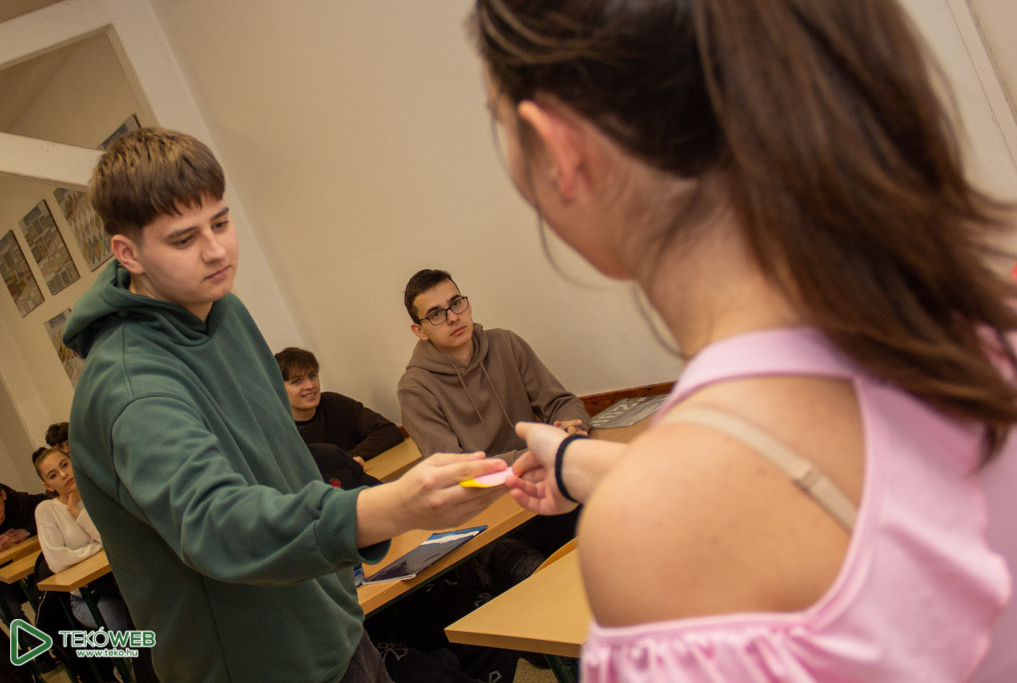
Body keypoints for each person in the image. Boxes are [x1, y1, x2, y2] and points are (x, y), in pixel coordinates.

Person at [472, 0, 1017, 680]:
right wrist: (576, 463)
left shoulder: (652, 540)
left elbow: (738, 488)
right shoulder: (982, 321)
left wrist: (632, 491)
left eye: (499, 125)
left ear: (560, 151)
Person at [63, 128, 507, 683]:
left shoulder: (223, 309)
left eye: (220, 222)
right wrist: (390, 508)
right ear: (128, 253)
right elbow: (218, 523)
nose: (216, 250)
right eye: (183, 239)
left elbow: (284, 466)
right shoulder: (130, 386)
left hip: (333, 625)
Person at [398, 268, 590, 466]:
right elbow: (453, 467)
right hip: (485, 483)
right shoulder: (414, 389)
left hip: (543, 467)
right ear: (420, 331)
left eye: (456, 304)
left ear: (468, 305)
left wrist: (572, 427)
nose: (453, 317)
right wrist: (537, 454)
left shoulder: (506, 343)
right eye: (436, 314)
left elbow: (561, 403)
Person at [32, 446, 129, 632]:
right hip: (88, 596)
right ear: (48, 486)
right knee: (118, 622)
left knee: (148, 606)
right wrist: (99, 547)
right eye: (53, 475)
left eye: (64, 465)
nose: (63, 474)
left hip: (121, 578)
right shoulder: (47, 510)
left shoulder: (94, 492)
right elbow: (57, 561)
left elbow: (114, 539)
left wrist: (77, 512)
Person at [275, 347, 404, 463]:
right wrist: (343, 462)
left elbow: (389, 431)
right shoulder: (280, 430)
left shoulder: (333, 402)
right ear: (278, 388)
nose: (310, 385)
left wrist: (345, 460)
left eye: (312, 376)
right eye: (297, 381)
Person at [0, 479, 41, 625]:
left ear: (3, 495)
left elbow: (47, 506)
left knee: (49, 593)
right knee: (9, 611)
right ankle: (35, 641)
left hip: (30, 569)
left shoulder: (18, 503)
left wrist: (26, 531)